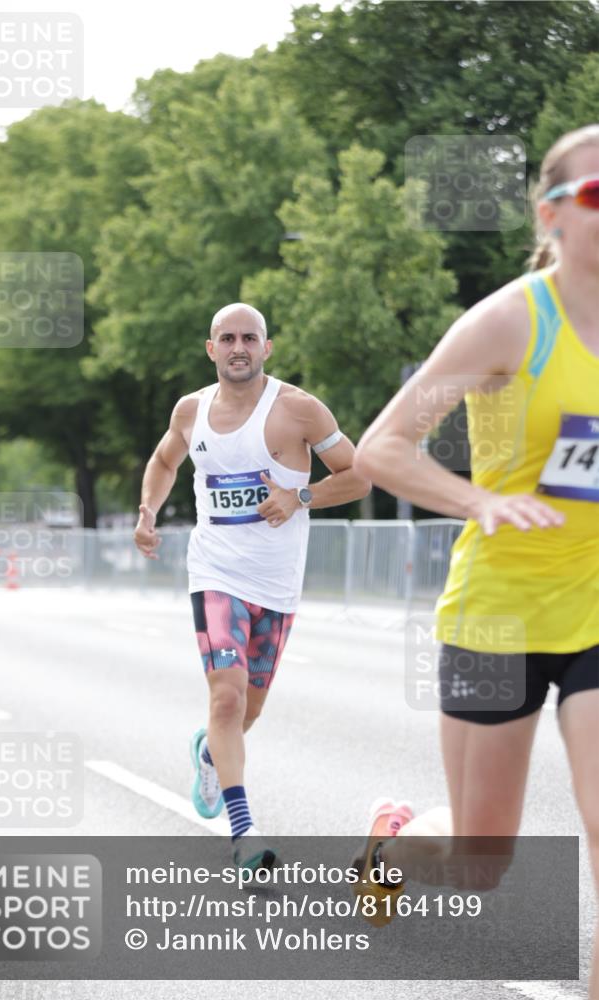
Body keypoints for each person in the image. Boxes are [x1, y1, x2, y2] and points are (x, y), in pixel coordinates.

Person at [353, 125, 599, 995]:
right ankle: (391, 841)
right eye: (597, 194)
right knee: (478, 861)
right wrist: (480, 501)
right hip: (500, 610)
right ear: (553, 215)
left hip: (595, 608)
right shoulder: (506, 322)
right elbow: (383, 448)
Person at [134, 302, 370, 871]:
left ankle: (211, 753)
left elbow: (359, 477)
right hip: (215, 572)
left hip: (278, 584)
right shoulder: (190, 411)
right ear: (211, 348)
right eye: (227, 338)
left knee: (249, 710)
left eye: (250, 337)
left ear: (267, 347)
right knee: (227, 694)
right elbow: (165, 461)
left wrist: (300, 496)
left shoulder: (298, 410)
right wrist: (147, 512)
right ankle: (243, 831)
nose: (238, 347)